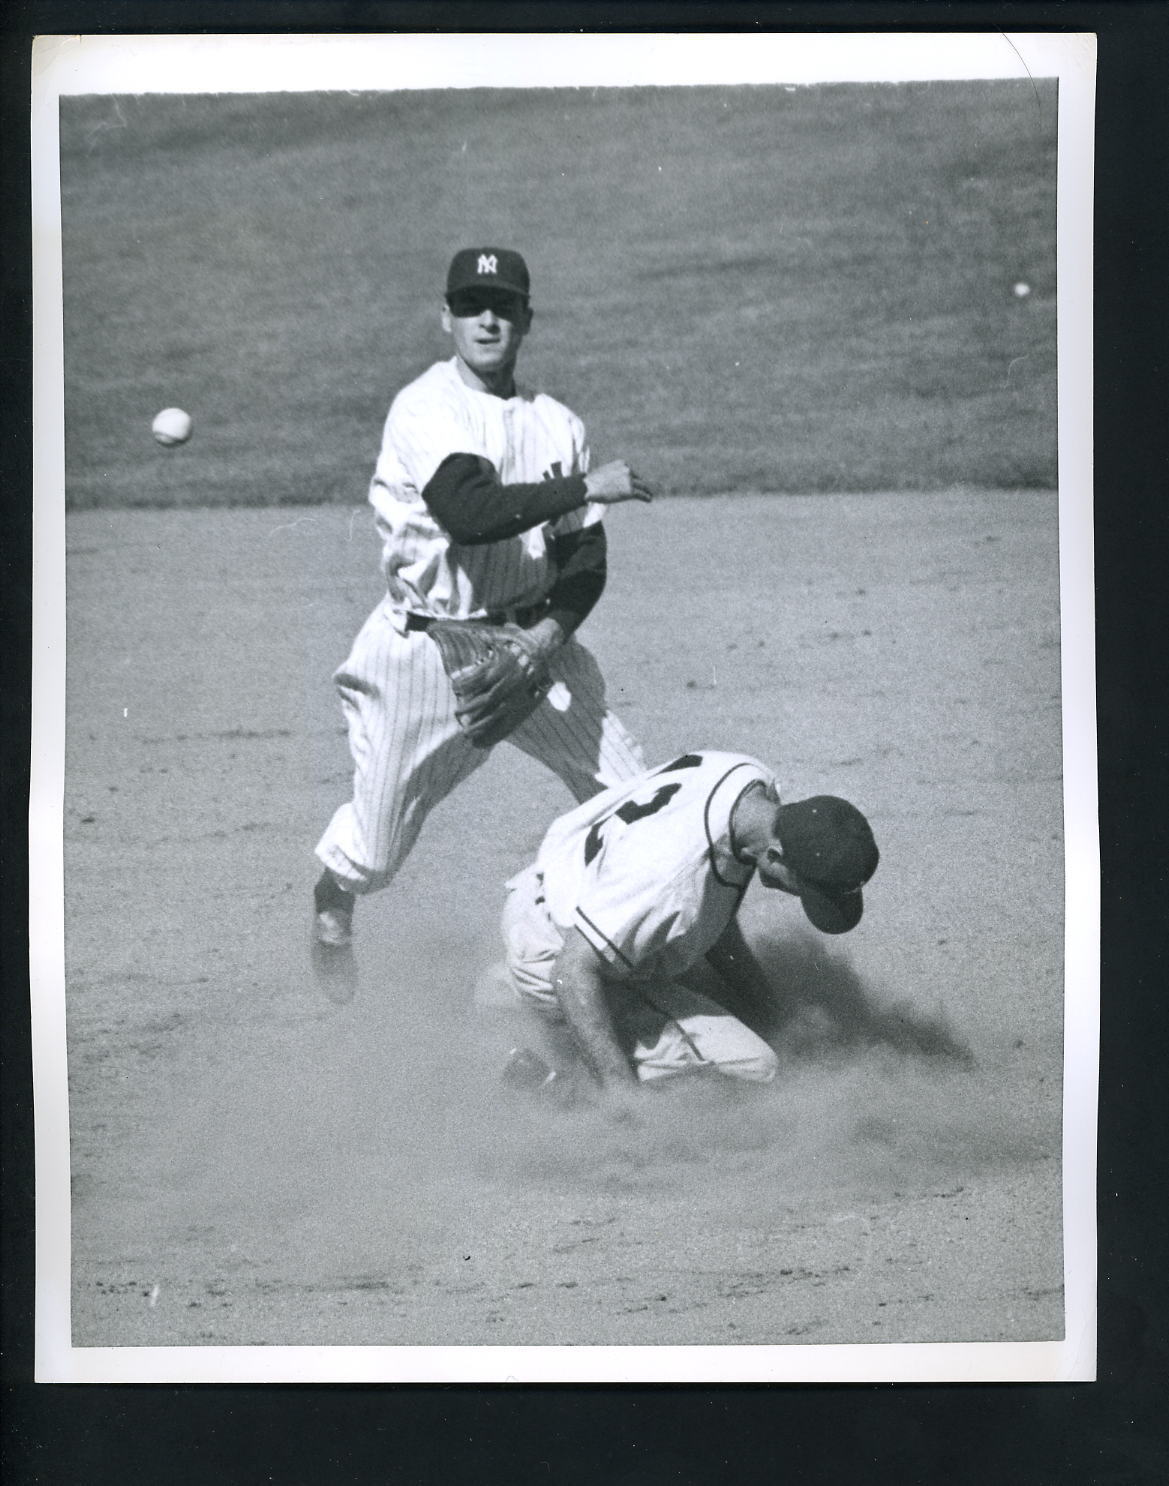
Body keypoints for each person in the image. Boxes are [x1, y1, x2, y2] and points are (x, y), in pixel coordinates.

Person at [312, 247, 654, 990]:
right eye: (470, 305)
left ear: (526, 318)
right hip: (426, 652)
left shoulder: (559, 423)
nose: (487, 319)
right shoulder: (427, 406)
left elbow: (585, 558)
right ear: (447, 318)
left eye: (502, 305)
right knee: (373, 854)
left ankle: (658, 959)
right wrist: (585, 487)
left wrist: (546, 637)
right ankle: (331, 903)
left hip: (534, 645)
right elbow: (468, 514)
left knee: (639, 808)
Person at [495, 749, 879, 1108]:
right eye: (807, 891)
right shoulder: (671, 882)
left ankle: (505, 994)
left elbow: (712, 913)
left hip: (564, 893)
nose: (803, 898)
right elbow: (572, 972)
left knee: (712, 993)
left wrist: (772, 1014)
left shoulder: (749, 782)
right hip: (557, 955)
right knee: (757, 1067)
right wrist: (621, 1102)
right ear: (775, 855)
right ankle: (562, 1091)